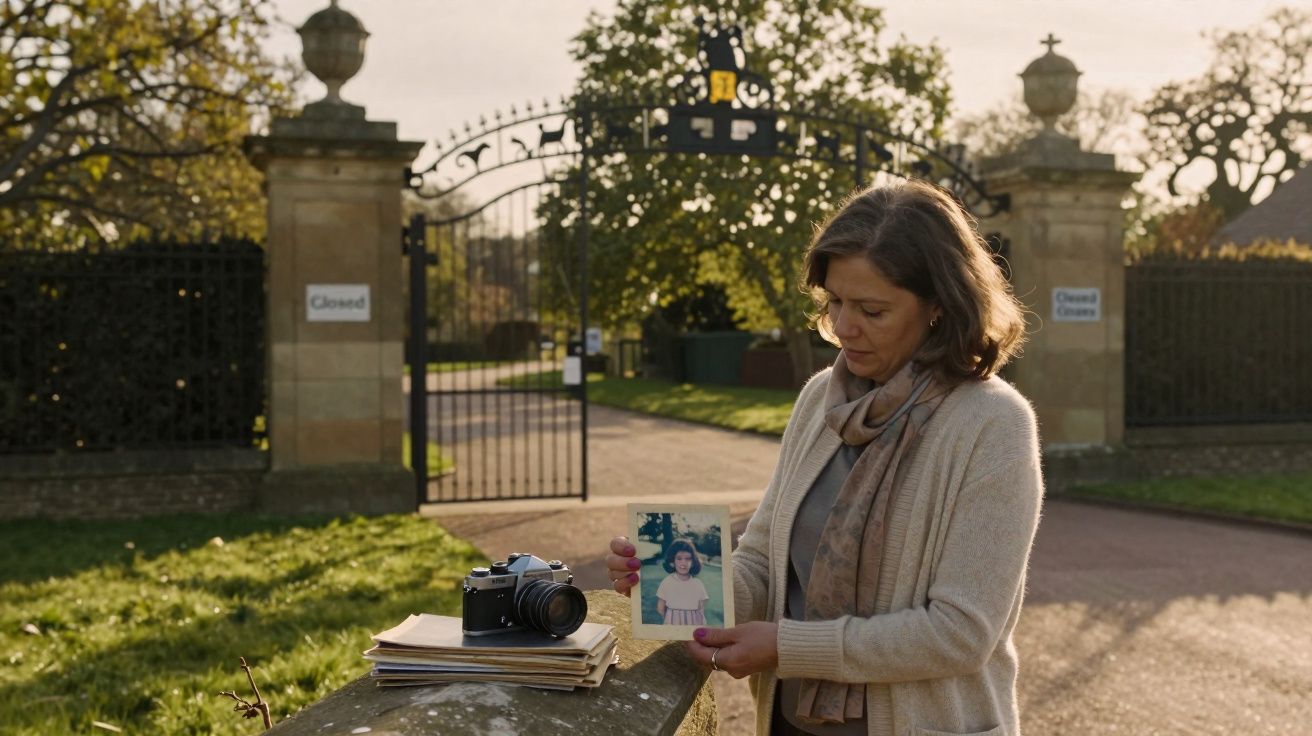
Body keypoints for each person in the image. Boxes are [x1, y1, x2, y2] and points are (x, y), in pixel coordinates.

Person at [606, 179, 1043, 736]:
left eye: (872, 310)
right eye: (835, 301)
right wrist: (673, 581)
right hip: (791, 724)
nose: (842, 327)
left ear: (939, 307)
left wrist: (786, 648)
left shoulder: (992, 423)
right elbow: (764, 564)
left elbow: (960, 633)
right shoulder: (821, 399)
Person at [656, 538, 710, 625]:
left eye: (688, 559)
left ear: (693, 563)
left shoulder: (697, 584)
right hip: (672, 623)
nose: (683, 563)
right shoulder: (667, 582)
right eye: (679, 558)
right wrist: (671, 617)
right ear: (672, 562)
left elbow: (701, 608)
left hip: (693, 624)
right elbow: (660, 608)